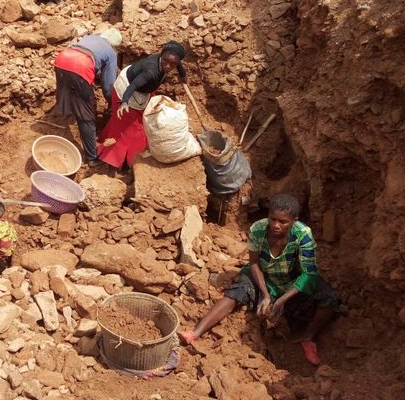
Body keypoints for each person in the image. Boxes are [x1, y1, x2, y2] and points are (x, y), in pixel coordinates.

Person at [178, 194, 340, 366]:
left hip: (293, 281)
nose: (276, 225)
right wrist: (266, 295)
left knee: (328, 298)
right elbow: (254, 263)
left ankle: (308, 337)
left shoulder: (303, 234)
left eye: (283, 222)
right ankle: (195, 333)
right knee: (237, 292)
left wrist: (282, 300)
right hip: (264, 276)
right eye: (273, 219)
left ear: (294, 221)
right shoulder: (258, 229)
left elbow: (309, 274)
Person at [97, 40, 187, 169]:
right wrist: (124, 102)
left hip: (142, 89)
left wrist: (183, 75)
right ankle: (125, 160)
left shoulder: (169, 59)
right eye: (166, 61)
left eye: (173, 63)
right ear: (162, 56)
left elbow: (177, 63)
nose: (168, 66)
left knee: (141, 119)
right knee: (133, 128)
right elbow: (133, 85)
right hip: (128, 91)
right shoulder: (150, 72)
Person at [53, 28, 122, 165]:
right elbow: (108, 86)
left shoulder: (91, 38)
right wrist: (112, 104)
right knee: (85, 116)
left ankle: (64, 113)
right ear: (114, 45)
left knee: (66, 88)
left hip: (61, 60)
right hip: (80, 67)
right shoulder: (111, 52)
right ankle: (92, 157)